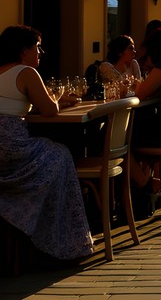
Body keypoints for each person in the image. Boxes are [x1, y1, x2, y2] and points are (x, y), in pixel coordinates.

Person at [0, 25, 94, 261]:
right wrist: (59, 101)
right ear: (23, 50)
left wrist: (57, 101)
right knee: (61, 154)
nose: (41, 53)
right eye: (37, 47)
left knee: (52, 152)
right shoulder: (26, 72)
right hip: (12, 148)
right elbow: (49, 109)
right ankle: (60, 237)